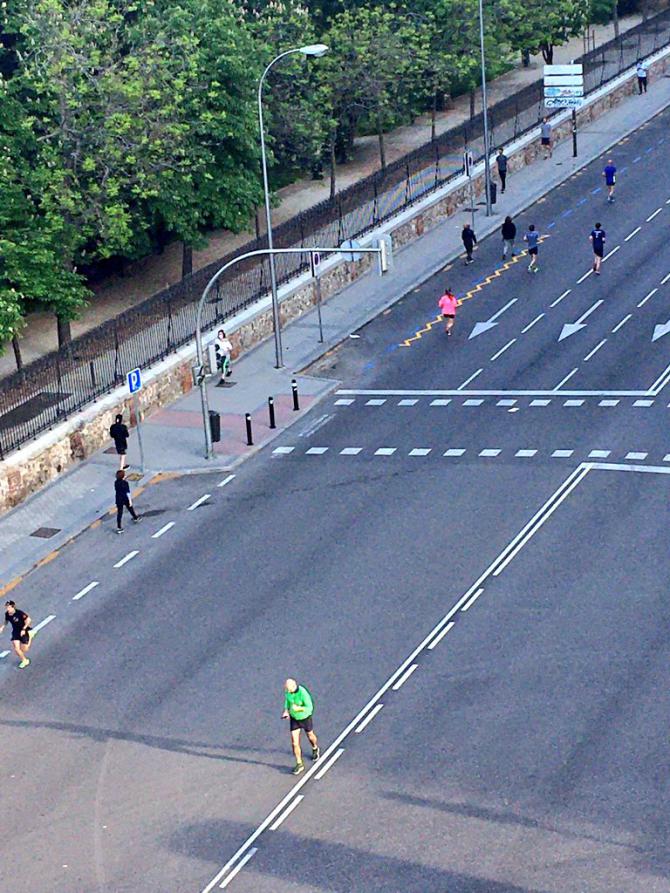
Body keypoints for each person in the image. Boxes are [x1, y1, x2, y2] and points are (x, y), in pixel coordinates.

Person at [282, 678, 320, 775]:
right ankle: (299, 763)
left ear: (293, 686)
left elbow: (309, 708)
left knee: (310, 736)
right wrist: (286, 711)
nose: (286, 690)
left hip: (305, 718)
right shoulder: (288, 692)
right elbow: (287, 701)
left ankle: (315, 748)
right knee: (295, 743)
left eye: (288, 688)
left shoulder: (303, 693)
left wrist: (299, 708)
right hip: (294, 719)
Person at [1, 600, 34, 669]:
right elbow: (6, 621)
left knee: (24, 649)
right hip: (16, 632)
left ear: (13, 607)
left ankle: (30, 635)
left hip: (23, 630)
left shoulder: (19, 613)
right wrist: (2, 627)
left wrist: (24, 629)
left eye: (9, 607)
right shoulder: (7, 614)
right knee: (16, 649)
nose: (8, 609)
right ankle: (24, 660)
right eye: (6, 607)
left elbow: (29, 620)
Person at [115, 469, 140, 533]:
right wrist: (130, 501)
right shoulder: (125, 483)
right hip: (125, 498)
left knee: (119, 513)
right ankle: (135, 518)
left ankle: (119, 527)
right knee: (130, 508)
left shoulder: (116, 482)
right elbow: (127, 492)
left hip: (118, 499)